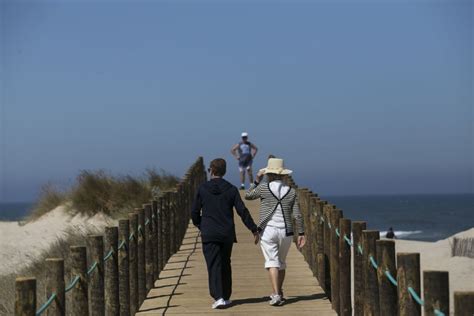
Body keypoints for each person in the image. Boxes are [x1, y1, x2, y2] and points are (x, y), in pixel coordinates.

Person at [191, 158, 260, 309]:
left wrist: (199, 224)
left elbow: (194, 211)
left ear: (212, 171)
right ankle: (226, 296)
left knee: (213, 265)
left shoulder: (202, 189)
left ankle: (218, 297)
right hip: (226, 233)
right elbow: (242, 211)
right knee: (225, 263)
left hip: (209, 232)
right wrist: (254, 229)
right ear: (224, 171)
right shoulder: (231, 189)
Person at [245, 158, 306, 306]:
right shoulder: (291, 191)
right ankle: (279, 291)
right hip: (286, 232)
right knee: (282, 263)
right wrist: (302, 233)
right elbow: (297, 214)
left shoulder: (264, 188)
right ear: (283, 174)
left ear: (268, 173)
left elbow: (248, 195)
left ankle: (276, 294)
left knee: (272, 262)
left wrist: (257, 179)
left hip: (268, 230)